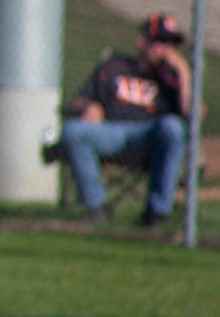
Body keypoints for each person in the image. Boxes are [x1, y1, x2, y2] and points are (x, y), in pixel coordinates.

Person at [60, 14, 192, 226]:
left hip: (149, 136)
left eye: (171, 44)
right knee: (73, 131)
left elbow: (191, 115)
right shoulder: (114, 66)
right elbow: (79, 100)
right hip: (111, 132)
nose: (165, 49)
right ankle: (95, 207)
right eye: (159, 42)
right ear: (142, 41)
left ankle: (157, 212)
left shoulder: (171, 80)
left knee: (174, 128)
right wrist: (89, 106)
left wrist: (184, 73)